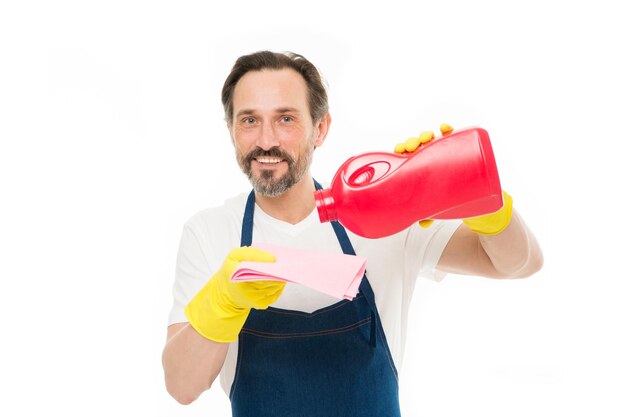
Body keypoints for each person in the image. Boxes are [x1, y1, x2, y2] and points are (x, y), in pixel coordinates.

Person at [162, 50, 543, 416]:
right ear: (230, 129)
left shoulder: (385, 213)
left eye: (286, 119)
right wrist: (222, 303)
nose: (266, 140)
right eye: (249, 120)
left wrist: (480, 201)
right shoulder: (209, 232)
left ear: (320, 128)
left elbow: (518, 264)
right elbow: (182, 387)